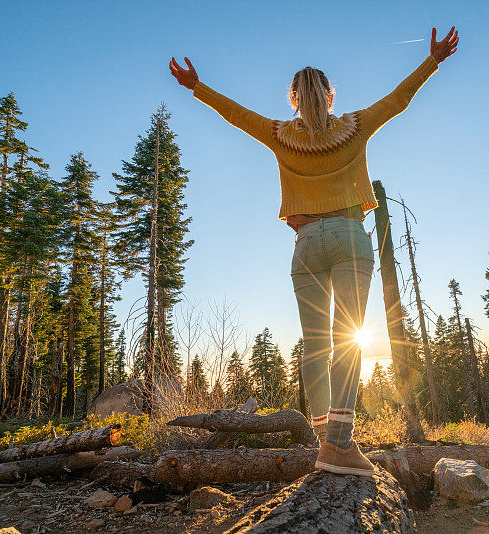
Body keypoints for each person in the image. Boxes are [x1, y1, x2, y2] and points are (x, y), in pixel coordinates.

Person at [170, 26, 458, 476]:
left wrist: (196, 87)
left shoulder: (279, 134)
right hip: (349, 237)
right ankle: (339, 445)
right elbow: (399, 99)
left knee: (316, 345)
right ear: (328, 97)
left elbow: (235, 115)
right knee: (349, 341)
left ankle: (327, 441)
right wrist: (433, 61)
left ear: (294, 100)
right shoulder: (356, 126)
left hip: (305, 245)